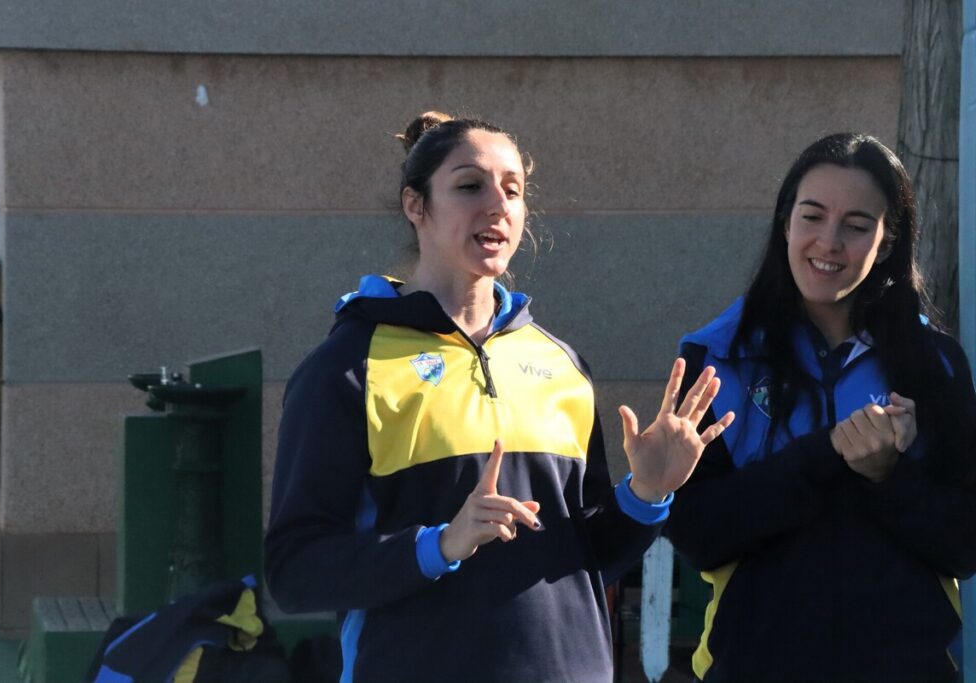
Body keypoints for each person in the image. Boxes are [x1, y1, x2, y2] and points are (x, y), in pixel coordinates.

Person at [264, 111, 734, 683]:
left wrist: (646, 494)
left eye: (513, 190)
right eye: (469, 186)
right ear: (417, 207)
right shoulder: (347, 367)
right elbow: (295, 571)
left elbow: (584, 562)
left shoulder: (562, 365)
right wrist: (441, 545)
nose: (498, 205)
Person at [666, 132, 976, 683]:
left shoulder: (937, 364)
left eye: (857, 226)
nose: (829, 242)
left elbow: (964, 547)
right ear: (786, 223)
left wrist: (890, 478)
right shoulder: (716, 356)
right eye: (812, 217)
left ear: (886, 242)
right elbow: (698, 536)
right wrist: (825, 454)